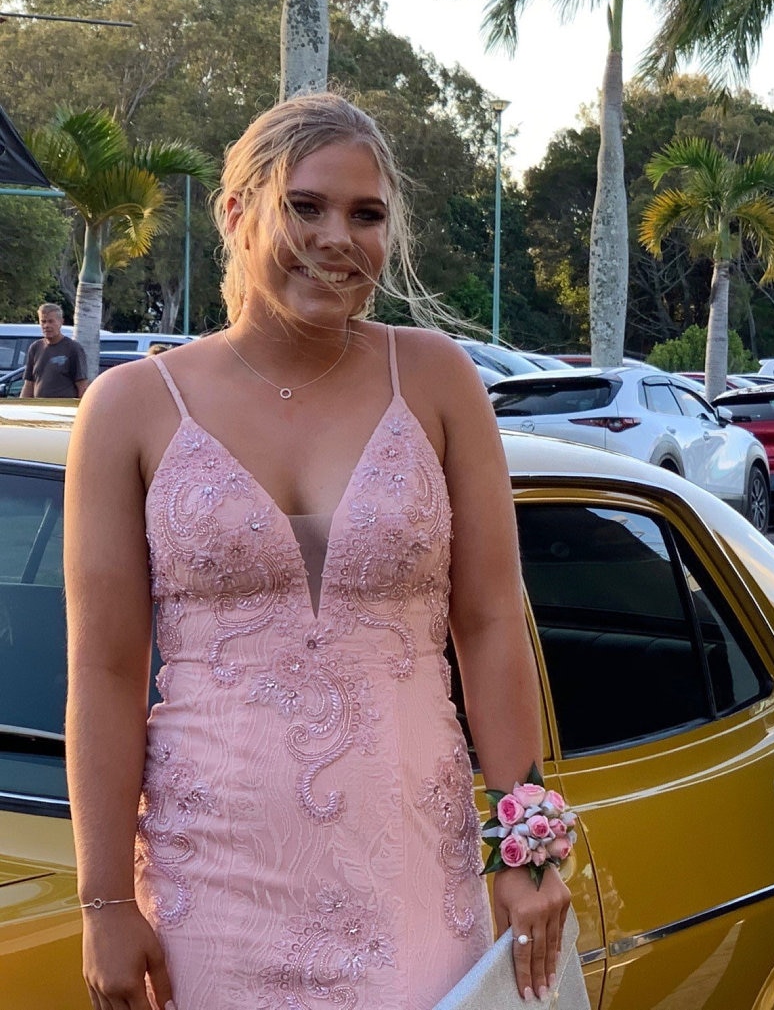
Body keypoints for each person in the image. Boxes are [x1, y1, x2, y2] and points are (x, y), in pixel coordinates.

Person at [64, 92, 570, 1010]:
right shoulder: (130, 408)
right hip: (207, 886)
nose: (338, 236)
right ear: (235, 212)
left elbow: (492, 623)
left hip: (411, 867)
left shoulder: (438, 380)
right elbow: (103, 667)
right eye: (305, 205)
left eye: (366, 214)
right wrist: (102, 898)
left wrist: (527, 851)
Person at [21, 302, 88, 397]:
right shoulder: (35, 347)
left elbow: (82, 385)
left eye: (50, 321)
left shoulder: (73, 348)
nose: (46, 326)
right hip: (38, 408)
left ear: (61, 322)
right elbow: (29, 384)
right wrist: (22, 407)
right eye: (43, 321)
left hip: (62, 408)